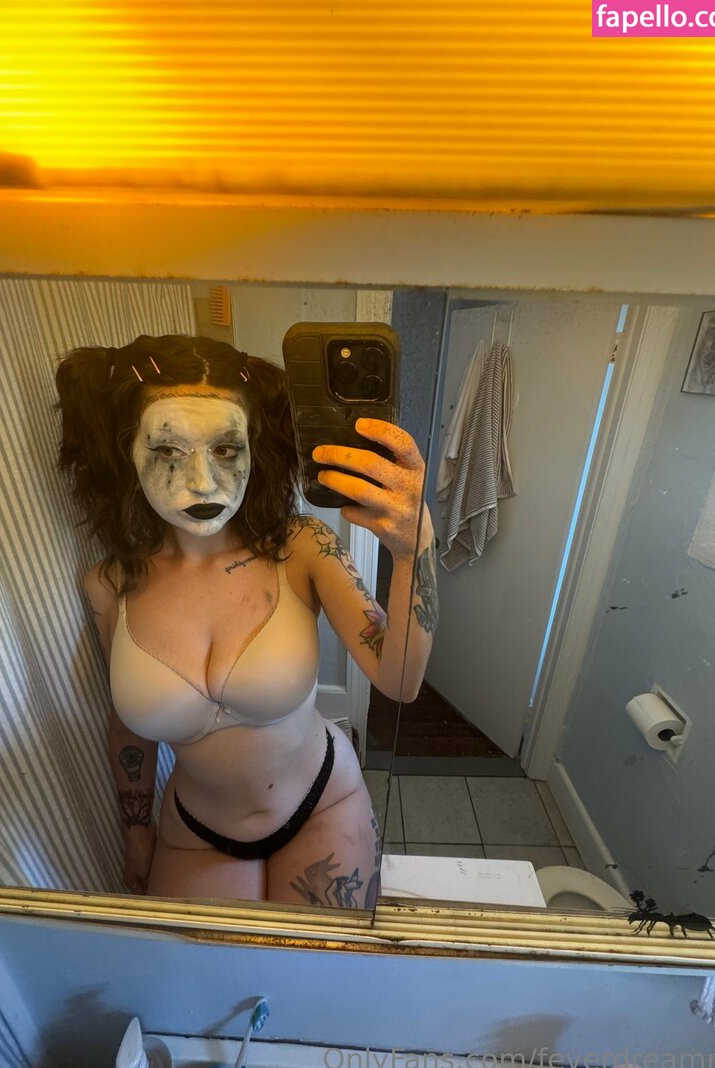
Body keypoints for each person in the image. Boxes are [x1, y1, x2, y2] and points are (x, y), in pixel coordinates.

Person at [56, 334, 437, 908]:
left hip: (322, 804)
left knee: (319, 962)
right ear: (124, 452)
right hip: (195, 833)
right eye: (169, 449)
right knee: (212, 968)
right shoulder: (108, 586)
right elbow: (129, 728)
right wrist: (136, 835)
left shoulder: (302, 546)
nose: (203, 481)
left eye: (226, 449)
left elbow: (399, 679)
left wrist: (414, 549)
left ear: (255, 449)